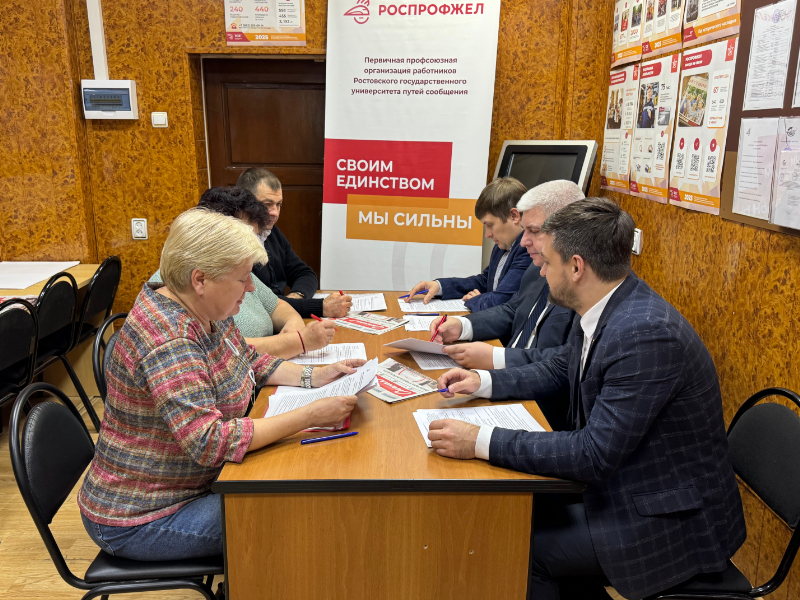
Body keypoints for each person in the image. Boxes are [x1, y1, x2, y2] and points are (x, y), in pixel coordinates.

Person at [429, 198, 746, 600]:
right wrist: (483, 382)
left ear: (576, 267)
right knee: (511, 515)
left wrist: (478, 441)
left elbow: (593, 454)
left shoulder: (645, 335)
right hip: (626, 486)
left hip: (670, 520)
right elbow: (560, 367)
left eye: (547, 262)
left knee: (519, 547)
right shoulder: (608, 303)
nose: (540, 271)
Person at [78, 208, 365, 562]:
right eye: (243, 278)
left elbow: (245, 358)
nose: (251, 287)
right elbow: (210, 441)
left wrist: (314, 377)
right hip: (142, 514)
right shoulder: (168, 339)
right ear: (200, 279)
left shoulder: (206, 309)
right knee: (292, 514)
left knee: (295, 496)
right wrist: (309, 415)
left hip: (192, 485)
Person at [431, 180, 583, 430]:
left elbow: (564, 364)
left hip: (539, 406)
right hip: (504, 383)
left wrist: (495, 358)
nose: (523, 242)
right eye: (524, 230)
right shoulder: (538, 268)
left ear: (566, 231)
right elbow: (513, 309)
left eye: (533, 230)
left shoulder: (584, 286)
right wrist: (463, 325)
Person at [149, 187, 335, 359]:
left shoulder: (236, 271)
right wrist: (296, 342)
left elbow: (277, 306)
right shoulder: (181, 287)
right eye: (245, 237)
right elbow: (225, 351)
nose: (254, 246)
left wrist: (293, 329)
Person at [237, 167, 352, 318]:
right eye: (267, 204)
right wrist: (321, 307)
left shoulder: (272, 233)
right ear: (245, 203)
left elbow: (305, 273)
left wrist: (297, 296)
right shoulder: (235, 243)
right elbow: (259, 302)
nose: (275, 212)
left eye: (278, 204)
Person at [404, 177, 531, 312]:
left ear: (514, 216)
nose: (487, 234)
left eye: (490, 225)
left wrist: (476, 299)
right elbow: (485, 281)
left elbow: (500, 301)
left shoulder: (528, 250)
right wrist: (439, 286)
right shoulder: (504, 244)